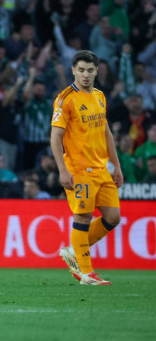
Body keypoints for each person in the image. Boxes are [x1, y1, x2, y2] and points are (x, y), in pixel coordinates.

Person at [51, 50, 124, 286]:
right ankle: (86, 273)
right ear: (73, 70)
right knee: (82, 216)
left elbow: (107, 133)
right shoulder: (65, 99)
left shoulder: (100, 96)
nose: (85, 74)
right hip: (79, 170)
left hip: (101, 169)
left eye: (90, 70)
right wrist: (62, 170)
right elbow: (55, 137)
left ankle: (74, 250)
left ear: (96, 71)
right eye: (81, 70)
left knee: (113, 217)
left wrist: (116, 166)